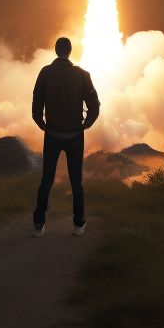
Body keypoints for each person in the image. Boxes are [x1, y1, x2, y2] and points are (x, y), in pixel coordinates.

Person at [31, 36, 100, 237]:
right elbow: (94, 106)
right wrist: (85, 125)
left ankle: (38, 225)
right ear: (69, 52)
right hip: (75, 137)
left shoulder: (45, 72)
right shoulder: (82, 75)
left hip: (52, 134)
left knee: (46, 180)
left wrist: (42, 124)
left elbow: (36, 103)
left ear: (56, 51)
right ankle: (78, 224)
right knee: (76, 182)